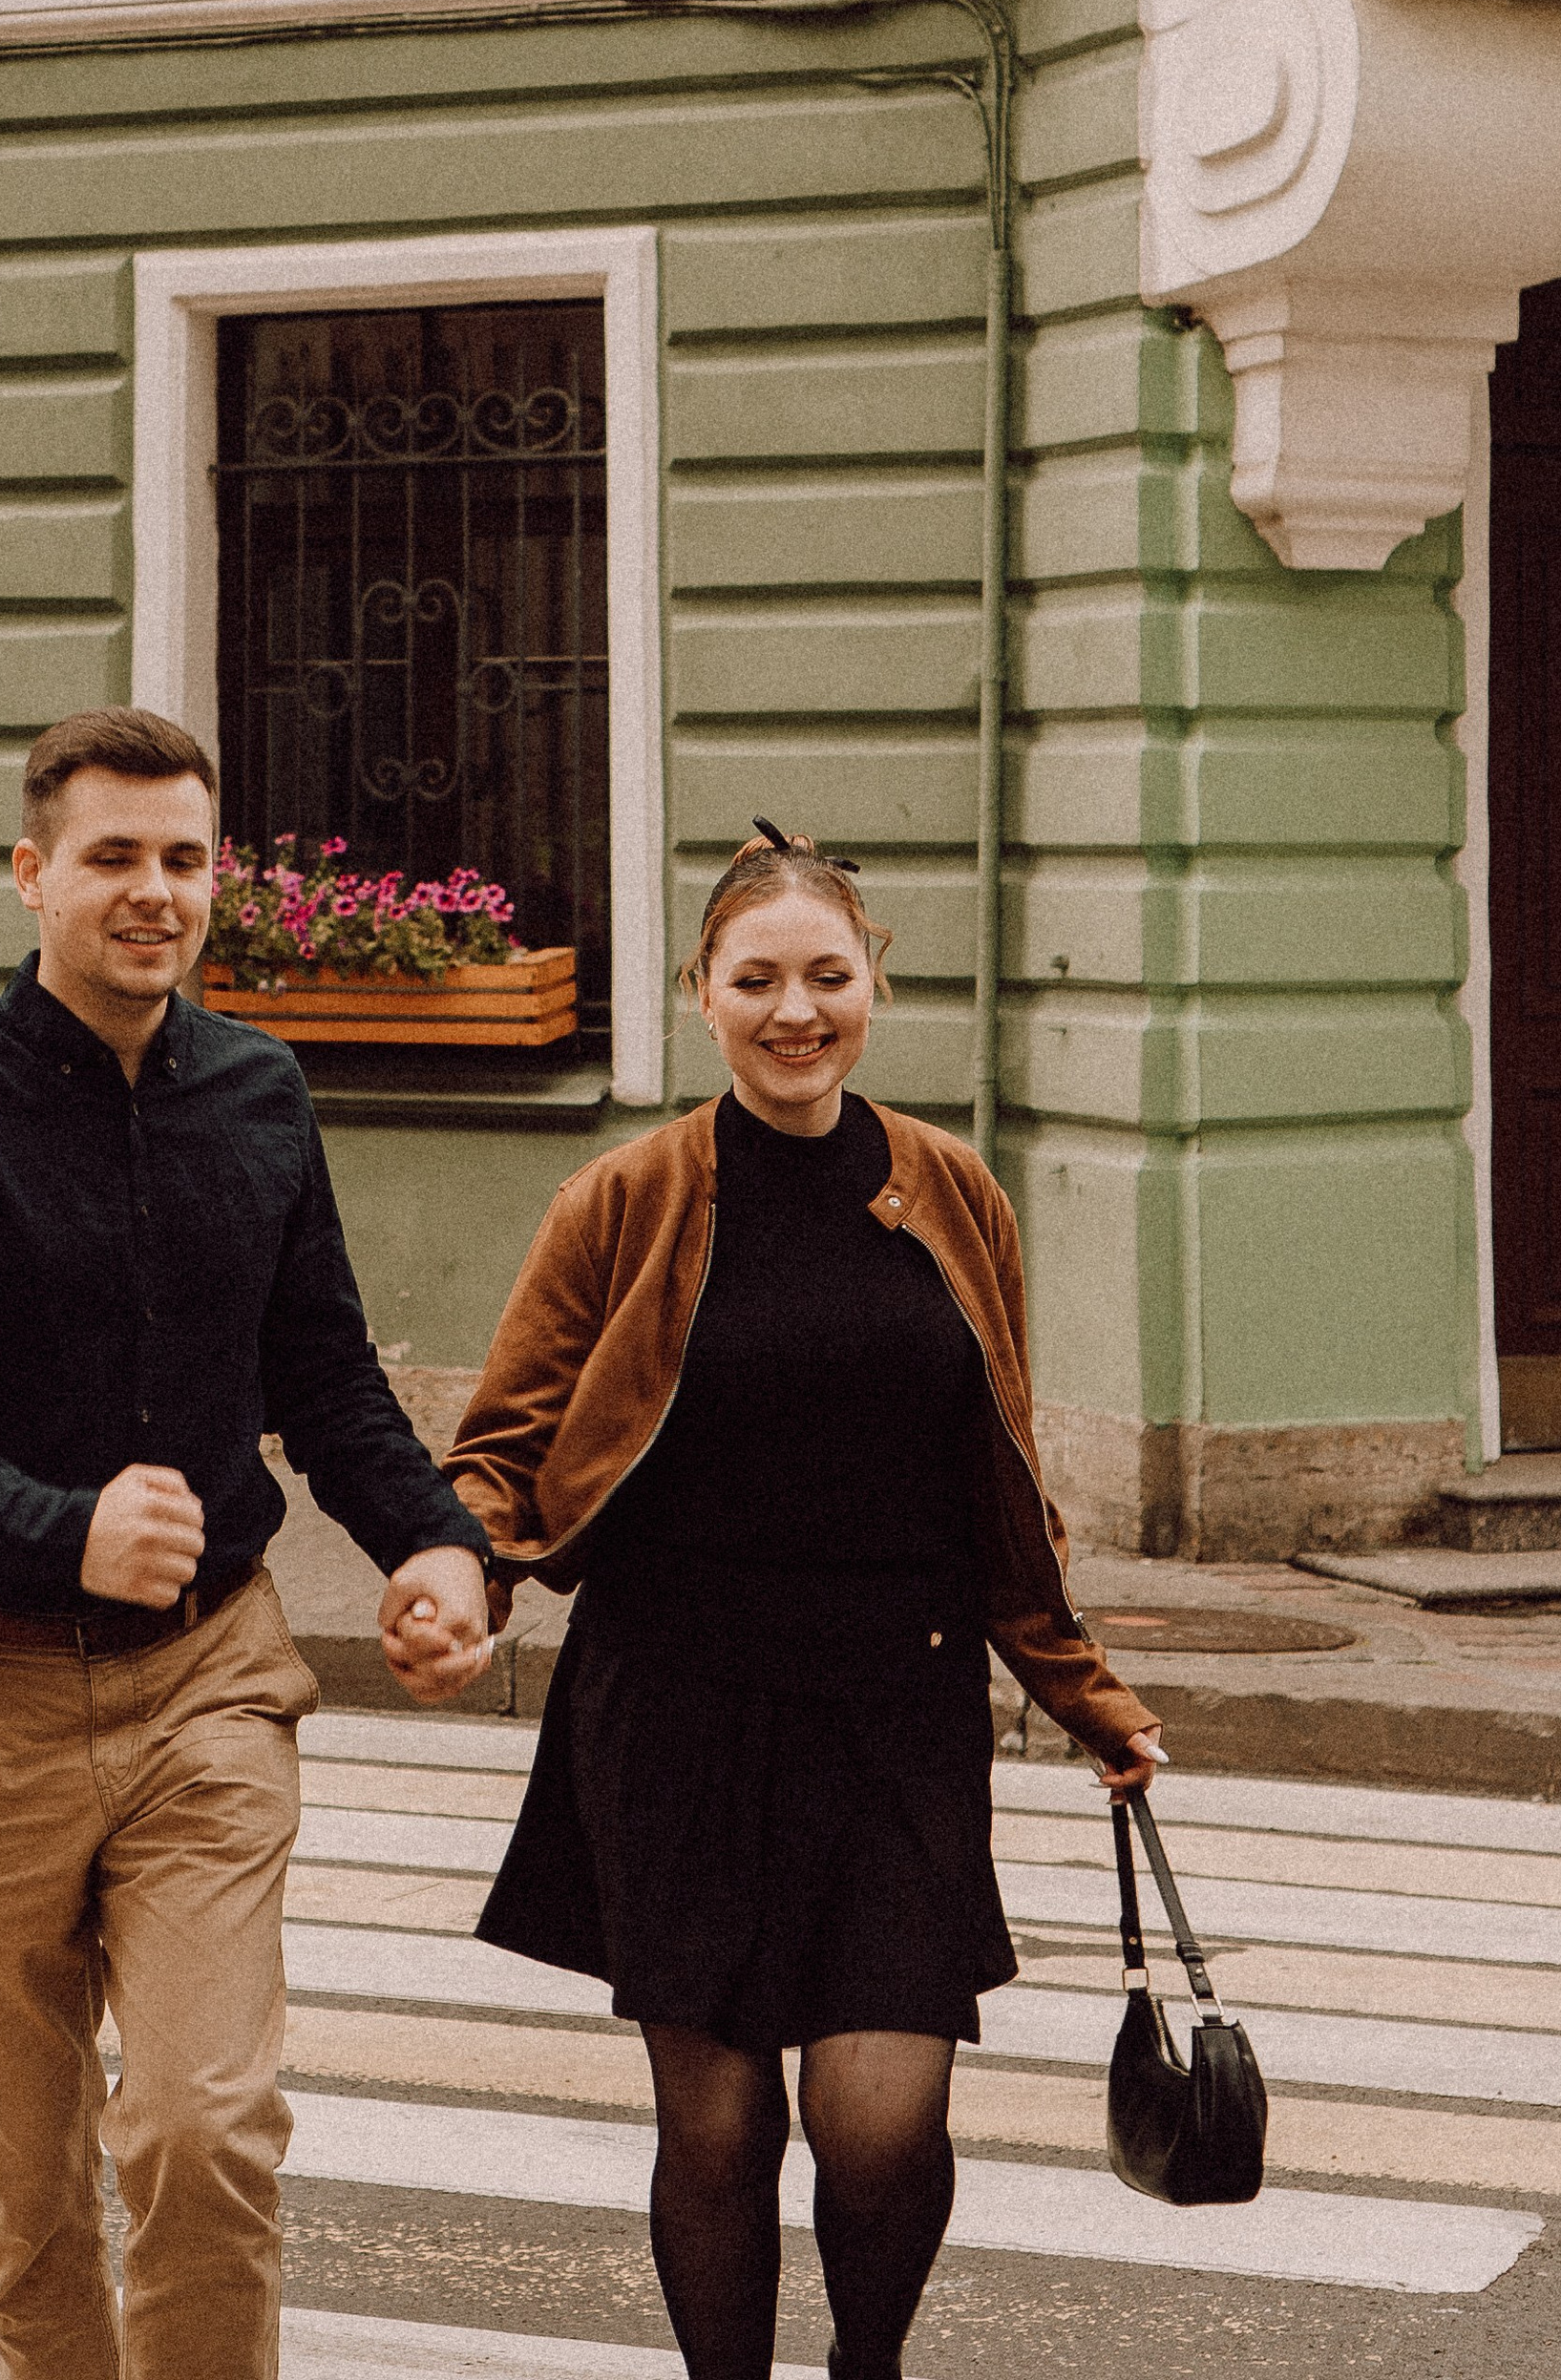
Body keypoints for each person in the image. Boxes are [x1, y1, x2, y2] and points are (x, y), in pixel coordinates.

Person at [0, 706, 496, 2380]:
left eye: (185, 859)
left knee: (200, 2126)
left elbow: (324, 1375)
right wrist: (56, 1527)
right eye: (113, 858)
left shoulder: (258, 1093)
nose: (154, 893)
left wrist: (443, 1550)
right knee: (26, 2209)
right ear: (34, 876)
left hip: (205, 1691)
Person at [447, 827, 1167, 2380]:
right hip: (676, 1705)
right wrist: (464, 1569)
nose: (794, 1010)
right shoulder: (625, 1199)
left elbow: (997, 1474)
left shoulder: (952, 1191)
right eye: (755, 978)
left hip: (893, 1710)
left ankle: (867, 2369)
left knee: (882, 2120)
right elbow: (504, 1445)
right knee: (716, 2124)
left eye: (825, 976)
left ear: (874, 984)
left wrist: (1084, 1691)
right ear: (701, 992)